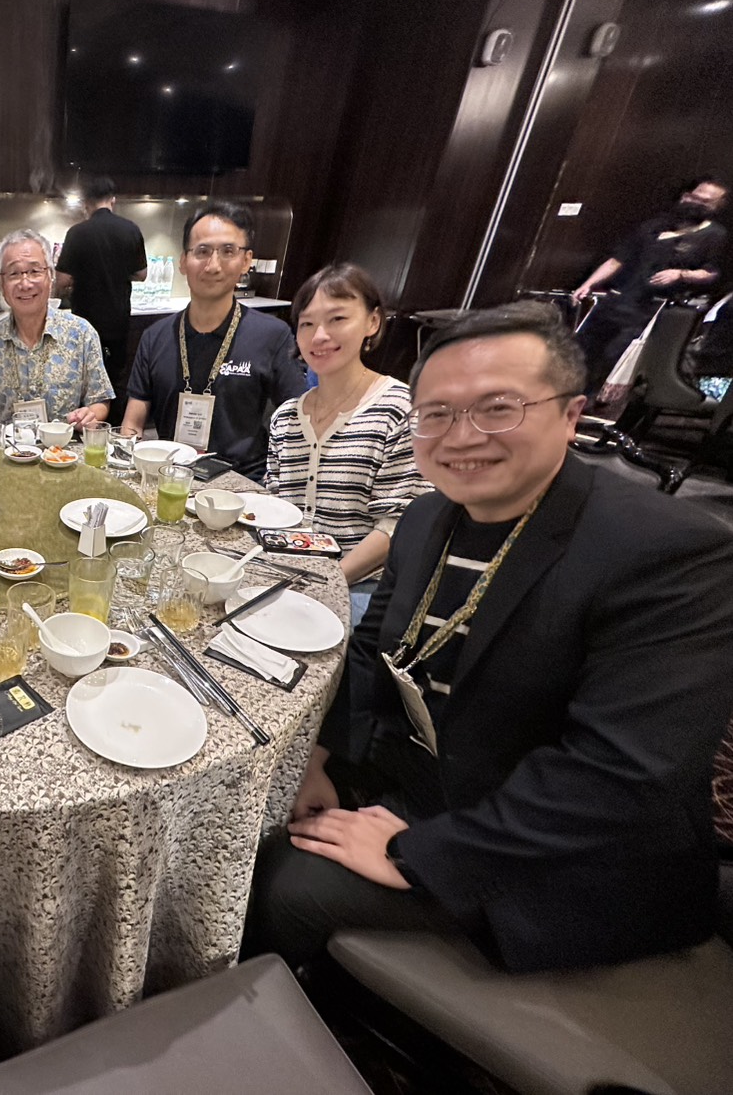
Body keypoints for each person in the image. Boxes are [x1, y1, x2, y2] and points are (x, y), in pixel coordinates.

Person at [243, 301, 733, 974]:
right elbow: (369, 653)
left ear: (571, 414)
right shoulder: (425, 518)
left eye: (497, 408)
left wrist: (419, 853)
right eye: (436, 414)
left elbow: (622, 778)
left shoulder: (670, 551)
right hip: (417, 771)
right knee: (249, 807)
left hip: (552, 854)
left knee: (282, 883)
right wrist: (318, 759)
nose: (461, 436)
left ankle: (302, 1016)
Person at [266, 264, 430, 626]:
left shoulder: (399, 409)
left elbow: (397, 524)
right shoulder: (286, 417)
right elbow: (276, 508)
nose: (319, 335)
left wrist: (328, 581)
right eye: (307, 324)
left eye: (337, 319)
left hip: (362, 586)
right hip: (290, 575)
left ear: (373, 321)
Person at [123, 201, 305, 479]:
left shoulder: (272, 335)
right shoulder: (155, 337)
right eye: (202, 251)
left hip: (244, 482)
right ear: (183, 262)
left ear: (246, 261)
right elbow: (132, 425)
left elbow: (297, 423)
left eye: (228, 251)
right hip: (171, 478)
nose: (213, 265)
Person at [571, 176, 728, 395]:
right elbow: (617, 260)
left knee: (615, 359)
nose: (698, 204)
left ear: (717, 206)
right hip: (619, 300)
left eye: (706, 202)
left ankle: (594, 404)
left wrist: (680, 274)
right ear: (685, 196)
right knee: (579, 353)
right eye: (696, 198)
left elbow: (711, 273)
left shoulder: (715, 236)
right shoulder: (653, 226)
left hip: (653, 310)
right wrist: (588, 284)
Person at [0, 228, 114, 430]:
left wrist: (88, 415)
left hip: (65, 446)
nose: (25, 283)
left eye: (34, 271)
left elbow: (100, 400)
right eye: (14, 273)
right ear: (1, 284)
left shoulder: (81, 334)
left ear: (50, 276)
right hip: (9, 447)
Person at [54, 176, 148, 416]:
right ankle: (113, 428)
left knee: (83, 381)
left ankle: (82, 428)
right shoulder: (131, 230)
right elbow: (142, 274)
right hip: (118, 322)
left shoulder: (77, 233)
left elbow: (61, 281)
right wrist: (119, 274)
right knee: (115, 381)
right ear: (112, 200)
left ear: (86, 203)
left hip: (84, 324)